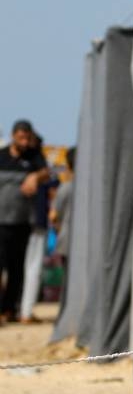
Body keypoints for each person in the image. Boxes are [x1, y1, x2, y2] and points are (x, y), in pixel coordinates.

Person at [0, 120, 49, 323]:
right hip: (1, 222)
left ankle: (9, 309)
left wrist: (35, 177)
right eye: (21, 137)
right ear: (13, 136)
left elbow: (47, 172)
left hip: (22, 223)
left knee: (16, 268)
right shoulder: (2, 156)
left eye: (27, 138)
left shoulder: (33, 157)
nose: (25, 141)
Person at [19, 132, 55, 323]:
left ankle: (21, 310)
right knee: (32, 269)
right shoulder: (39, 172)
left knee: (22, 269)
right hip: (32, 224)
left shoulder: (29, 170)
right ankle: (24, 311)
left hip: (22, 224)